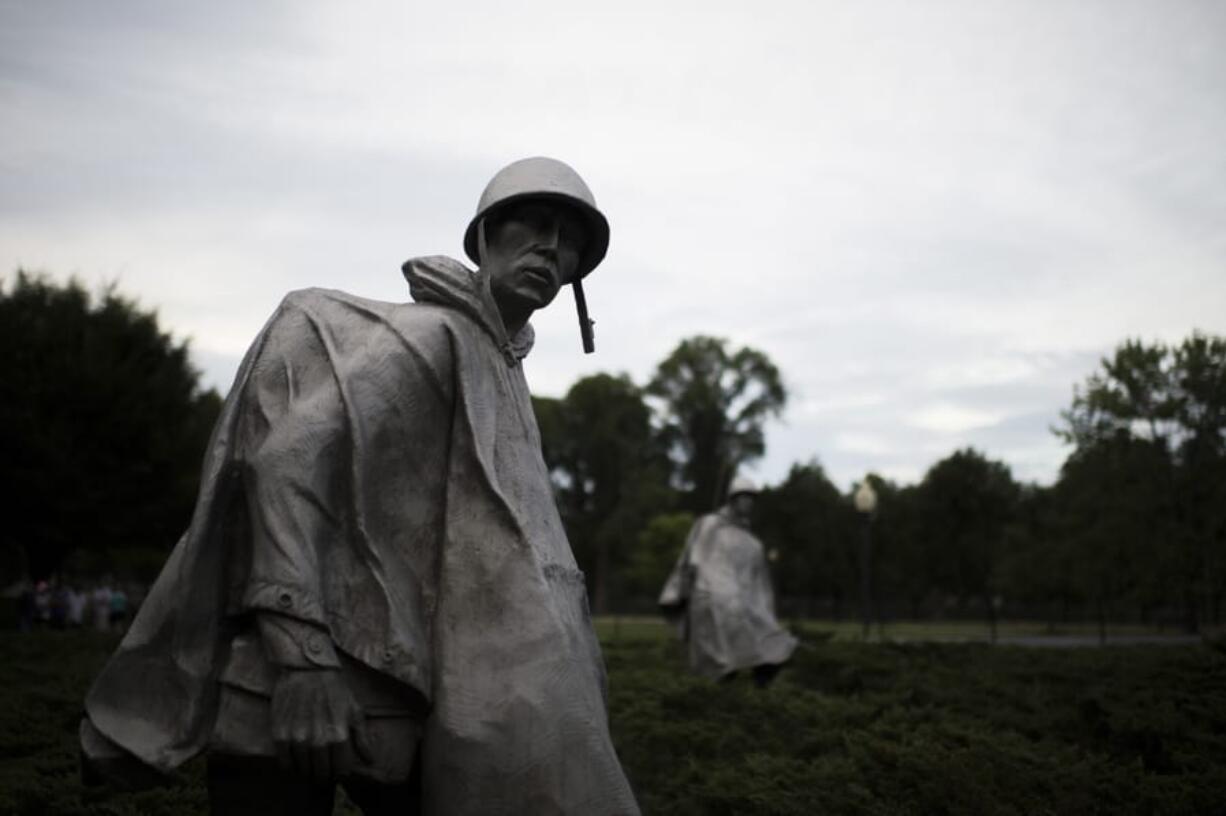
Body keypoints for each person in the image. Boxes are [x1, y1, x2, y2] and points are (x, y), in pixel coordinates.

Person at [80, 157, 639, 816]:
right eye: (536, 224)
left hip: (395, 693)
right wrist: (304, 664)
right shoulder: (435, 336)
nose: (553, 247)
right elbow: (285, 463)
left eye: (571, 240)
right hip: (286, 697)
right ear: (488, 235)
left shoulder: (500, 369)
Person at [658, 477, 797, 687]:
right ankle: (724, 679)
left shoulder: (753, 544)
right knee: (718, 657)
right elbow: (694, 559)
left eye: (752, 498)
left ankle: (760, 674)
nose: (748, 503)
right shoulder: (710, 524)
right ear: (732, 499)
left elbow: (760, 587)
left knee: (769, 636)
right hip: (709, 596)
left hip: (741, 603)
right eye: (744, 497)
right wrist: (690, 586)